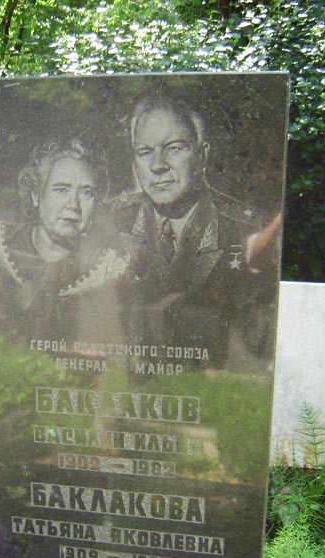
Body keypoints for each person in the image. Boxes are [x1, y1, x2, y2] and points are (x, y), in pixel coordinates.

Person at [113, 95, 280, 364]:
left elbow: (259, 346)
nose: (158, 165)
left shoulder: (242, 229)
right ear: (134, 164)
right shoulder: (110, 221)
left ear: (202, 155)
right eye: (145, 152)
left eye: (174, 148)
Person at [0, 138, 128, 339]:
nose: (74, 205)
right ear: (36, 195)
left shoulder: (108, 266)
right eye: (61, 190)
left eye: (86, 192)